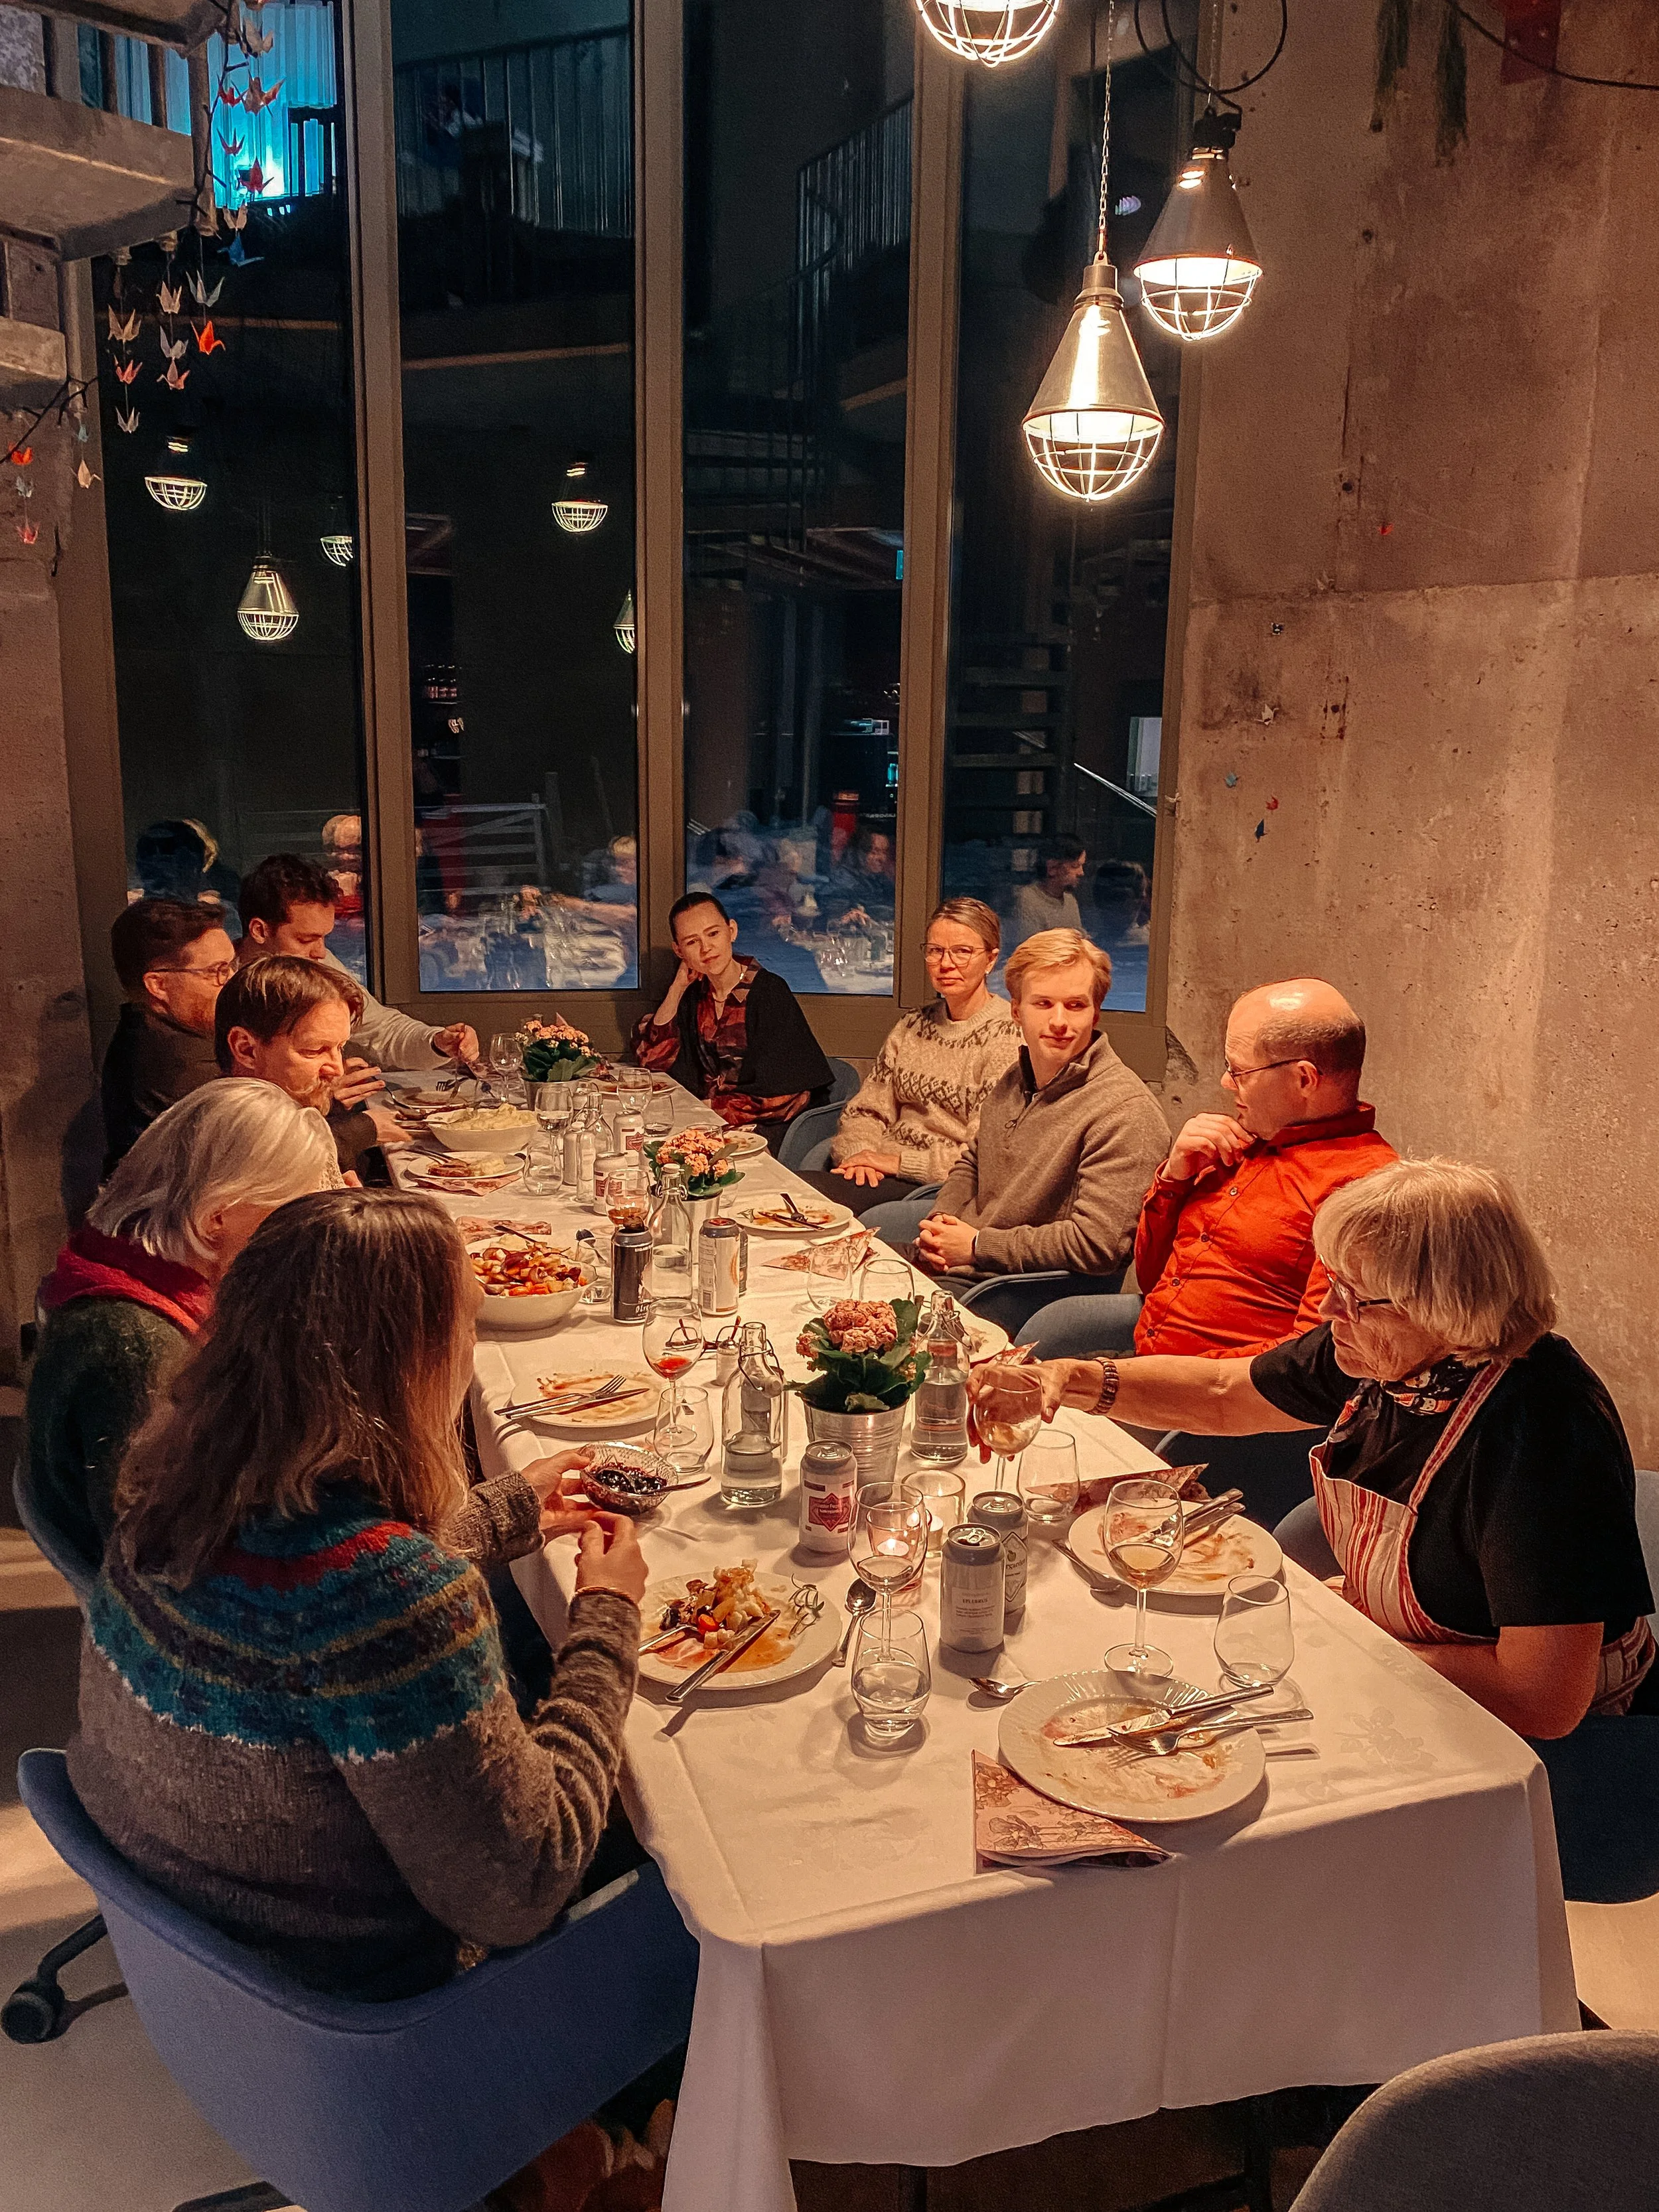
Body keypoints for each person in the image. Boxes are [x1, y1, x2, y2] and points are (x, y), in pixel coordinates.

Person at [67, 1189, 646, 1998]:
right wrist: (605, 1623)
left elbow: (304, 1594)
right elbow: (520, 1890)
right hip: (367, 2002)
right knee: (697, 1843)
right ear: (410, 1362)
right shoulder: (395, 1603)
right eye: (466, 1325)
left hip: (212, 1940)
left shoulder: (169, 1488)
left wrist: (504, 1510)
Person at [988, 1158, 1656, 1739]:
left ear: (1444, 1305)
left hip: (1552, 1750)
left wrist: (1342, 1635)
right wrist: (1071, 1379)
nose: (1330, 1311)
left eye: (1355, 1297)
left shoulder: (1539, 1429)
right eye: (1333, 1284)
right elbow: (1226, 1393)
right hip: (1408, 1663)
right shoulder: (1392, 1351)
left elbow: (1541, 1700)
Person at [26, 1084, 339, 1568]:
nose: (298, 1237)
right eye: (288, 1216)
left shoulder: (131, 1266)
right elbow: (158, 1556)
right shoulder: (133, 1347)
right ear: (217, 1217)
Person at [867, 928, 1168, 1291]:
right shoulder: (1017, 1077)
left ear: (1096, 1013)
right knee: (827, 1267)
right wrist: (941, 1223)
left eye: (1075, 1005)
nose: (1059, 1022)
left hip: (1004, 1290)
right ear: (1016, 1010)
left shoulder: (1126, 1112)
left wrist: (978, 1247)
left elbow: (1098, 1245)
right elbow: (973, 1161)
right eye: (1043, 1004)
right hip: (957, 1266)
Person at [1131, 980, 1399, 1356]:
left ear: (1304, 1079)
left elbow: (1309, 1361)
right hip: (1145, 1368)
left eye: (1239, 1071)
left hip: (1217, 1401)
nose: (1226, 1083)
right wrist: (1175, 1179)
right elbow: (1152, 1282)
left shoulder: (1366, 1190)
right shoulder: (1240, 1140)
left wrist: (1156, 1382)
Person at [796, 899, 1021, 1217]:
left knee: (805, 1210)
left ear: (990, 960)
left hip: (933, 1188)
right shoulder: (912, 1025)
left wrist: (898, 1163)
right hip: (875, 1173)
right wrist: (861, 1155)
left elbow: (985, 1155)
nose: (946, 964)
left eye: (962, 951)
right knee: (784, 1197)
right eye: (935, 951)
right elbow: (865, 1111)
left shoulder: (1006, 1037)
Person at [238, 852, 478, 1074]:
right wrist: (322, 1091)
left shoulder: (320, 966)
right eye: (306, 939)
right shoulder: (218, 985)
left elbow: (383, 1030)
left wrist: (437, 1042)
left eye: (324, 937)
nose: (321, 952)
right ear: (260, 930)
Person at [630, 893, 831, 1143]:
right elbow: (653, 1062)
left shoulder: (768, 992)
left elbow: (783, 1097)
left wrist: (704, 1109)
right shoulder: (695, 995)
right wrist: (677, 989)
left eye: (713, 934)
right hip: (709, 1124)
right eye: (692, 942)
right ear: (679, 950)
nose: (706, 948)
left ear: (732, 931)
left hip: (773, 1129)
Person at [214, 956, 391, 1179]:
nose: (337, 1069)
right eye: (315, 1050)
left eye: (340, 1047)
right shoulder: (242, 1140)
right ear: (246, 1049)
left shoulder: (280, 1118)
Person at [101, 900, 238, 1173]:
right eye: (216, 971)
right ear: (158, 985)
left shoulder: (143, 1024)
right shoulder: (178, 1065)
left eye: (232, 965)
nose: (233, 980)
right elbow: (260, 1150)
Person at [1009, 834, 1087, 948]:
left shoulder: (1070, 901)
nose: (1081, 873)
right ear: (1052, 868)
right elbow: (1031, 951)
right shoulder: (1028, 900)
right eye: (1075, 866)